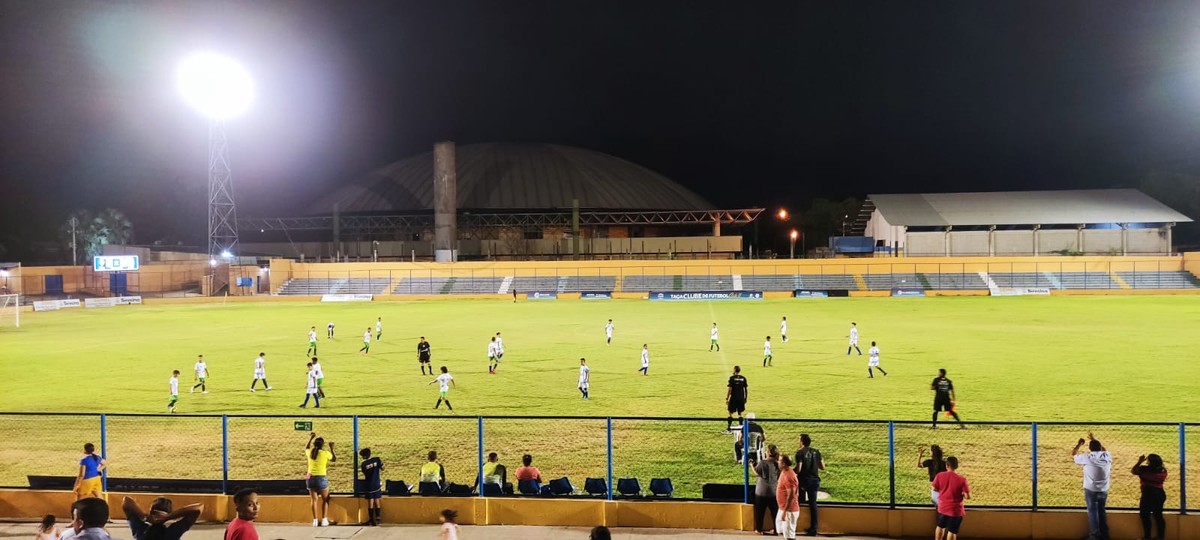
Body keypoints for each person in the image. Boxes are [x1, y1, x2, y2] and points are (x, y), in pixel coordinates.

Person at [1072, 432, 1111, 540]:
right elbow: (1104, 449)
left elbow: (1074, 454)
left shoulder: (1087, 457)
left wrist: (1079, 444)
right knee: (1101, 511)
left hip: (1091, 489)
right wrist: (1094, 438)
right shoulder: (1107, 456)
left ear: (1090, 449)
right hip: (1104, 489)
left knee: (1093, 512)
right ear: (1100, 447)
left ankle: (1094, 536)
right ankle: (1105, 535)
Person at [122, 495, 202, 540]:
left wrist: (145, 516)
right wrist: (168, 517)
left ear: (151, 512)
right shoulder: (173, 533)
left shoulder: (140, 530)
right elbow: (199, 508)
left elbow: (126, 501)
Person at [931, 456, 970, 540]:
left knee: (940, 526)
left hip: (942, 507)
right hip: (955, 510)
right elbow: (967, 496)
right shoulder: (962, 480)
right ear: (956, 466)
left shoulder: (939, 476)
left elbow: (934, 488)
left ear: (946, 465)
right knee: (952, 531)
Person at [794, 433, 825, 536]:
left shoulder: (800, 453)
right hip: (815, 480)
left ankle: (793, 526)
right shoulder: (816, 452)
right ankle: (814, 528)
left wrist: (790, 470)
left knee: (796, 502)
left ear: (802, 442)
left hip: (803, 481)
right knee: (813, 504)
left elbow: (799, 469)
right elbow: (822, 467)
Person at [1132, 453, 1167, 540]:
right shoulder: (1163, 470)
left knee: (1144, 515)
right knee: (1158, 515)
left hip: (1148, 494)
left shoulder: (1144, 469)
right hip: (1160, 494)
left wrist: (1139, 461)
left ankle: (1147, 537)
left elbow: (1134, 471)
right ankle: (1161, 537)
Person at [305, 433, 336, 527]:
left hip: (310, 477)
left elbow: (306, 447)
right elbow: (334, 459)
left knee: (314, 500)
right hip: (321, 477)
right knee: (326, 499)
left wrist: (310, 438)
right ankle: (324, 520)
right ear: (322, 445)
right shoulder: (325, 453)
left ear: (314, 444)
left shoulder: (310, 452)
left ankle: (315, 520)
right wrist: (331, 448)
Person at [752, 444, 781, 535]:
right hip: (774, 491)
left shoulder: (762, 463)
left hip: (761, 491)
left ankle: (759, 529)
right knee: (775, 512)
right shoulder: (778, 464)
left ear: (768, 452)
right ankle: (777, 529)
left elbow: (756, 472)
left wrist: (751, 465)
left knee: (760, 511)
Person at [775, 454, 800, 540]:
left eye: (779, 461)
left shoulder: (789, 476)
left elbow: (791, 495)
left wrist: (785, 511)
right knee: (781, 530)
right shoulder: (784, 472)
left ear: (784, 464)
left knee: (789, 536)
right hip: (783, 508)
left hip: (789, 510)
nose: (777, 462)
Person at [359, 448, 384, 526]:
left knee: (370, 502)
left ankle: (371, 519)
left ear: (364, 456)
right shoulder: (377, 460)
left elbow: (364, 472)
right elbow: (383, 468)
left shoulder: (364, 464)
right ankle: (378, 518)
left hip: (369, 484)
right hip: (376, 483)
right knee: (377, 501)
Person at [724, 366, 747, 433]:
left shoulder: (732, 378)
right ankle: (741, 428)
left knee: (730, 413)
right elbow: (745, 389)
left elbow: (730, 389)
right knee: (740, 413)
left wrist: (727, 398)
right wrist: (745, 398)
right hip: (741, 398)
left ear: (734, 370)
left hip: (733, 398)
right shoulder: (743, 378)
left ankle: (729, 428)